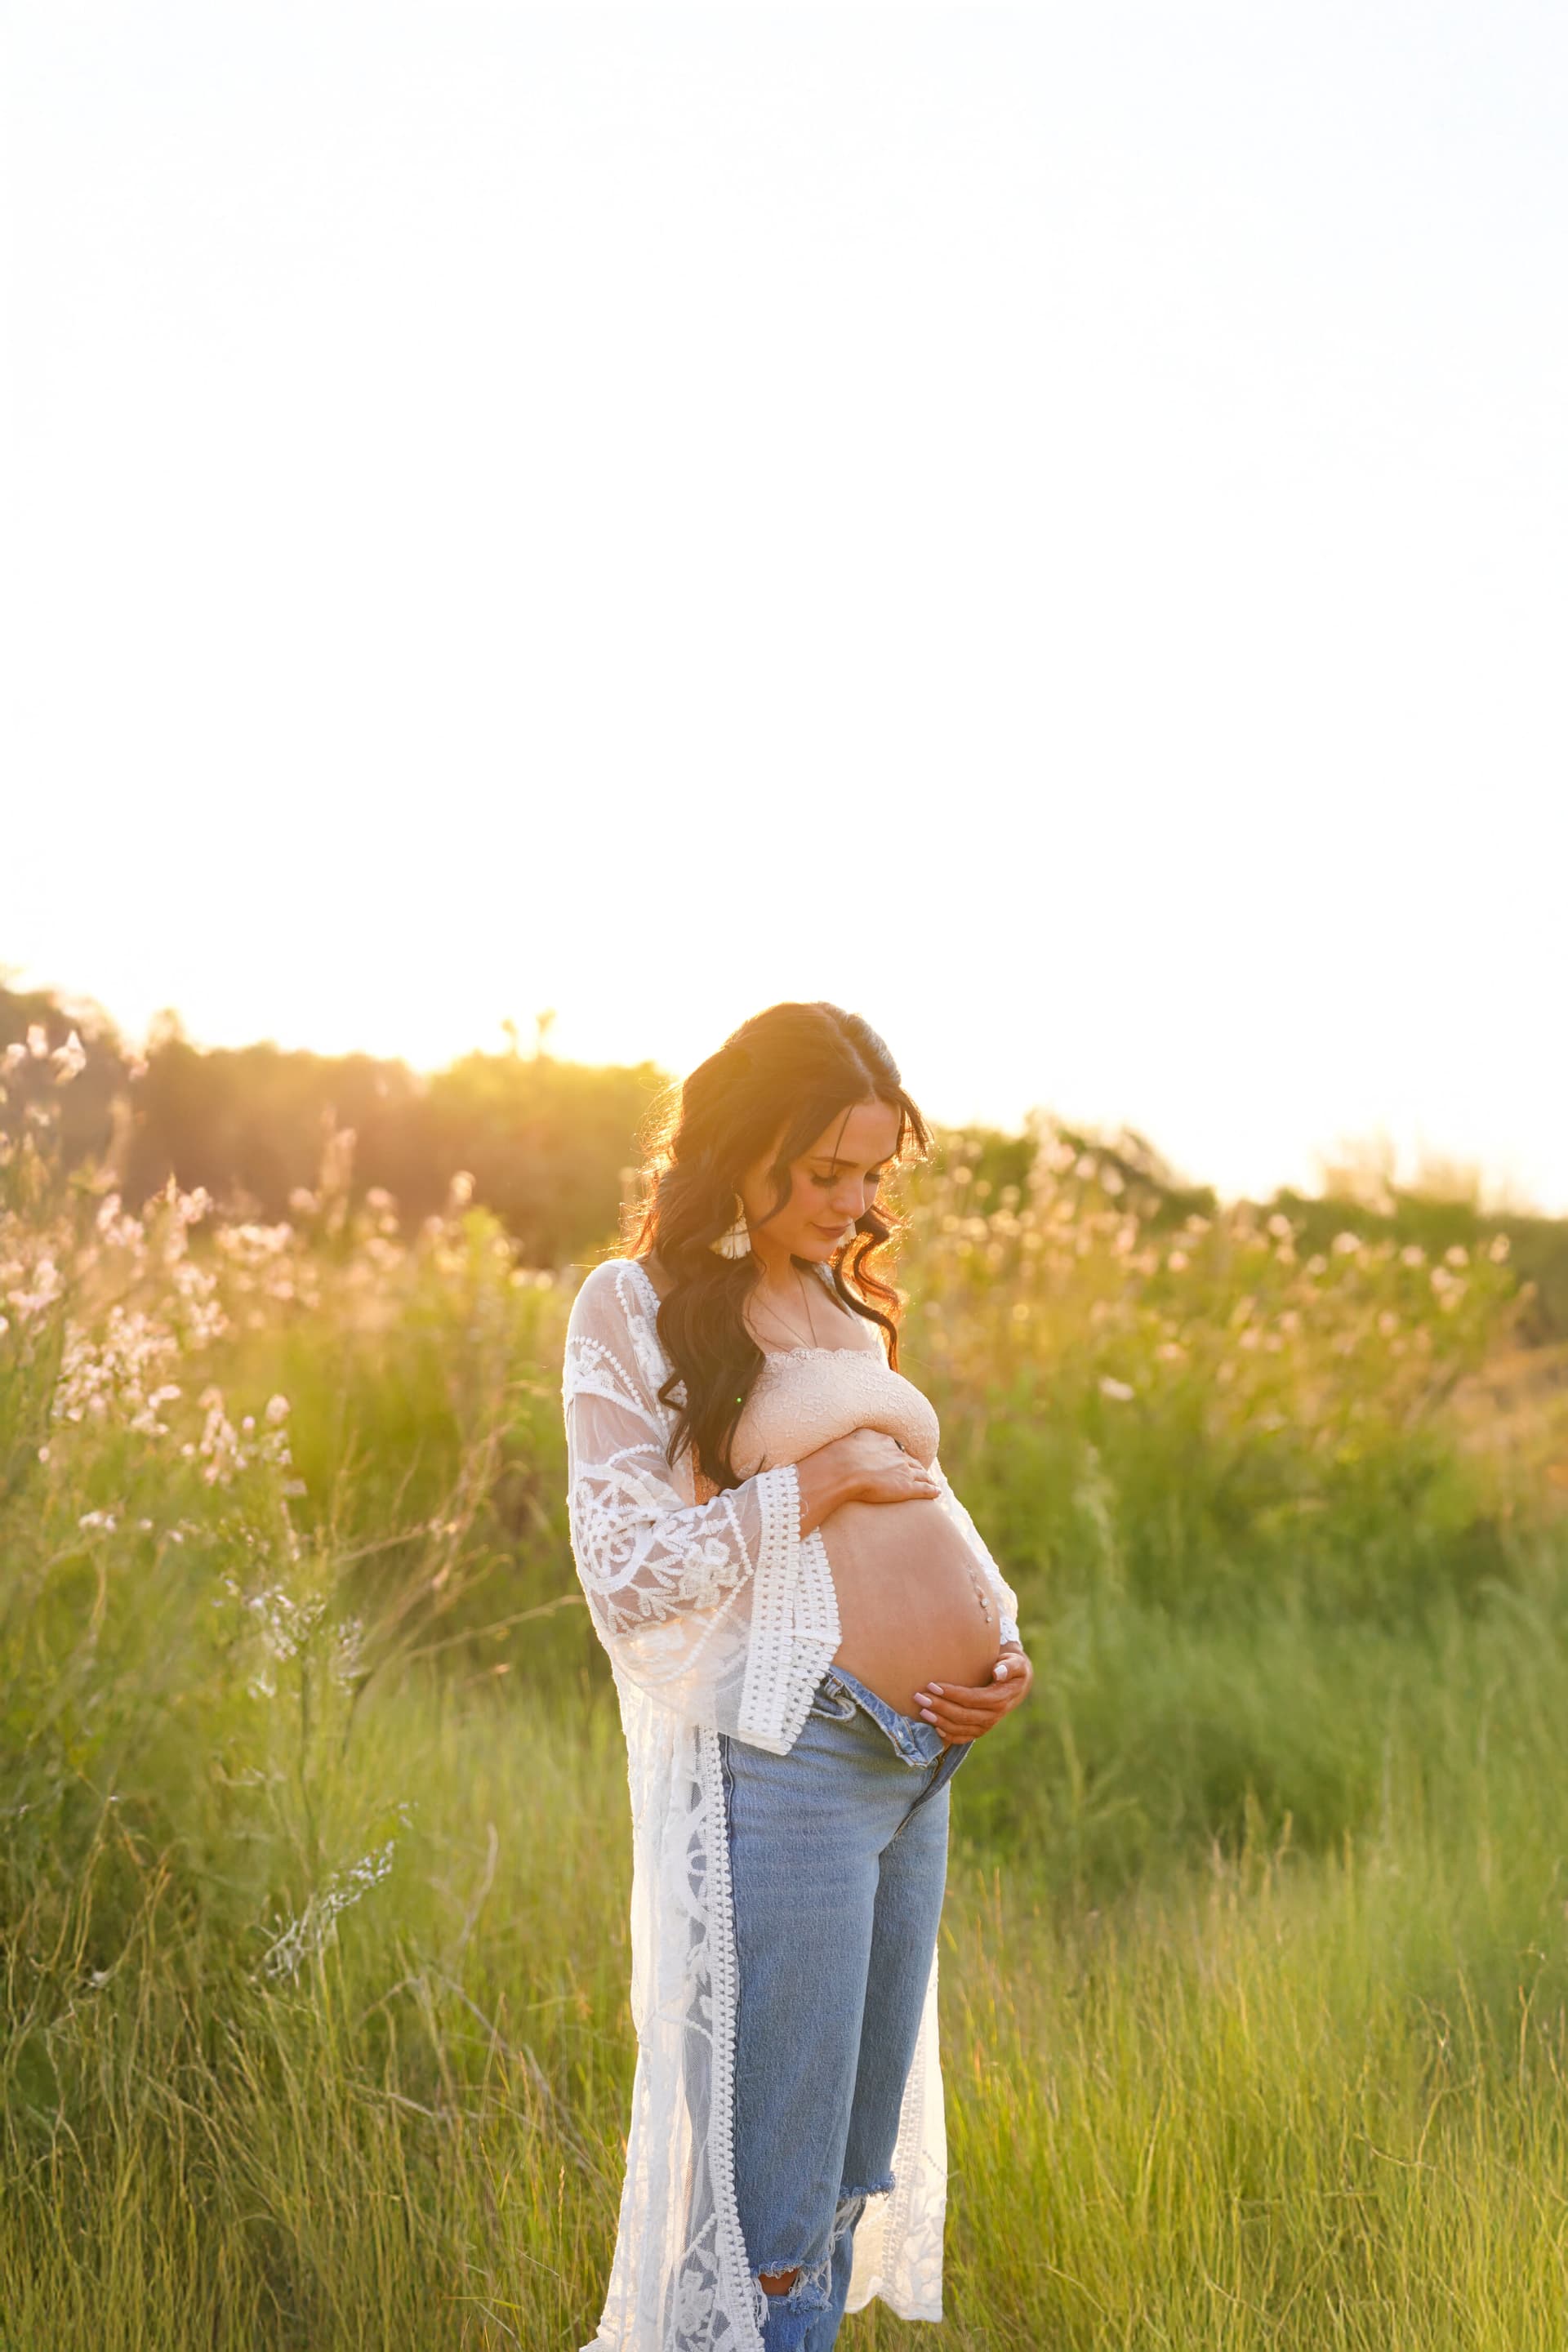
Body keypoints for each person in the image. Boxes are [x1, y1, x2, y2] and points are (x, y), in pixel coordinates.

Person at [562, 1002, 1034, 2351]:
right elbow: (628, 1570)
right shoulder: (634, 1307)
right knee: (771, 2207)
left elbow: (917, 1488)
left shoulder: (839, 1306)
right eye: (827, 1171)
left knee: (844, 2178)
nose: (855, 1203)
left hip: (917, 1767)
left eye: (873, 1174)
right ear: (742, 1146)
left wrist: (999, 1641)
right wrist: (808, 1487)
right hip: (801, 1759)